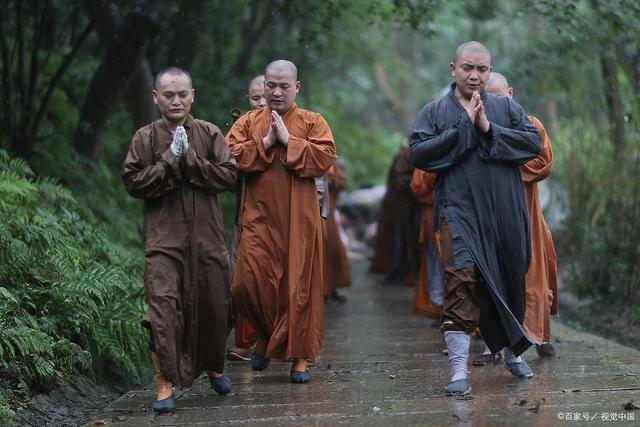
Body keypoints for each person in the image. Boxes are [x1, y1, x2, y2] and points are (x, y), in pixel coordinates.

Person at [410, 41, 542, 396]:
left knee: (509, 275)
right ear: (453, 68)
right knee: (460, 279)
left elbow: (533, 144)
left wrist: (488, 129)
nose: (475, 75)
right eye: (468, 67)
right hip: (458, 211)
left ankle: (512, 349)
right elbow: (419, 152)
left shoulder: (505, 108)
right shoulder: (435, 111)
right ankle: (457, 371)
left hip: (504, 213)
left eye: (482, 69)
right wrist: (462, 130)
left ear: (489, 70)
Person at [122, 67, 237, 413]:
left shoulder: (210, 133)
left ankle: (214, 364)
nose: (176, 100)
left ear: (193, 96)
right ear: (156, 97)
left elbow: (228, 176)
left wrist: (191, 160)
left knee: (216, 306)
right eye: (168, 95)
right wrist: (169, 162)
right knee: (162, 310)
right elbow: (134, 183)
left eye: (182, 94)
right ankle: (164, 383)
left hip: (207, 238)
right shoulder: (145, 138)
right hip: (164, 240)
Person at [225, 60, 337, 383]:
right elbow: (228, 158)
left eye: (283, 86)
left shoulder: (312, 121)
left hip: (300, 220)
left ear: (296, 88)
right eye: (270, 86)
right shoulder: (248, 122)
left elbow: (326, 156)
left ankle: (299, 357)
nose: (275, 92)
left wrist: (290, 142)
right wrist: (265, 144)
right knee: (245, 284)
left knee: (298, 287)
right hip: (259, 217)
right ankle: (267, 333)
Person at [484, 72, 558, 358]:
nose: (497, 105)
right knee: (494, 273)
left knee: (534, 272)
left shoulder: (531, 124)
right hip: (492, 214)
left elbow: (543, 162)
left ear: (511, 94)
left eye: (500, 97)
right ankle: (497, 343)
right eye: (489, 99)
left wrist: (505, 165)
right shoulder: (480, 126)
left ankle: (537, 336)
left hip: (526, 213)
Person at [226, 75, 266, 362]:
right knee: (243, 279)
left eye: (266, 95)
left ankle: (276, 340)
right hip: (247, 216)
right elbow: (227, 162)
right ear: (247, 100)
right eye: (256, 98)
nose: (263, 102)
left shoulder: (299, 123)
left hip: (285, 218)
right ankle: (245, 341)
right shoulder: (242, 127)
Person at [370, 145, 421, 285]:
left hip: (402, 207)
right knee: (398, 240)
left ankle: (401, 271)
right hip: (399, 207)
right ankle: (397, 271)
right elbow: (401, 181)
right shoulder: (404, 157)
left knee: (402, 240)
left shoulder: (405, 157)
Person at [410, 169, 444, 322]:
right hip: (434, 216)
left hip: (459, 213)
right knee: (437, 262)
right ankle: (439, 305)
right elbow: (417, 187)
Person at [323, 160, 352, 302]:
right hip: (314, 212)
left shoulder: (329, 160)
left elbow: (340, 181)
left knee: (333, 252)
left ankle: (331, 288)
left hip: (328, 215)